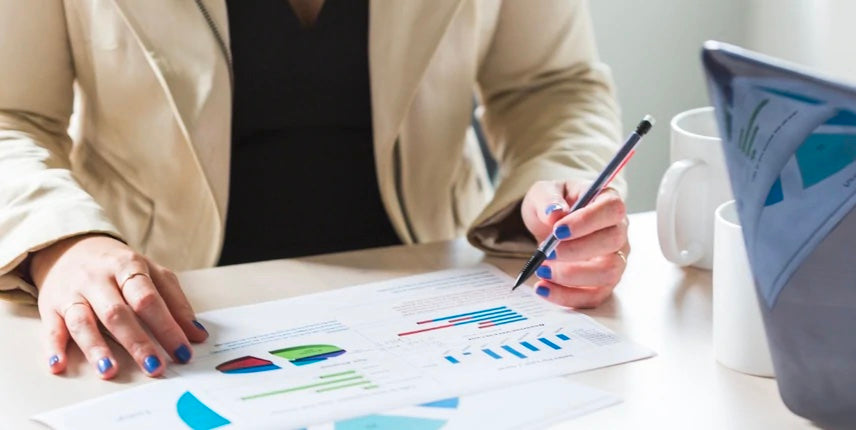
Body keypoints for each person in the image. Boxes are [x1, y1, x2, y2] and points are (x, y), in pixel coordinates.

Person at [0, 0, 629, 380]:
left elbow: (553, 86)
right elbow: (11, 115)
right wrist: (64, 242)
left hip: (441, 295)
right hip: (164, 307)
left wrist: (557, 195)